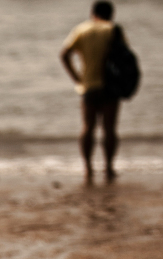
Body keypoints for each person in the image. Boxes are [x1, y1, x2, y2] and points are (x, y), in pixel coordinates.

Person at [60, 1, 122, 183]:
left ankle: (87, 168)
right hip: (110, 86)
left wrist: (77, 78)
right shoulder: (113, 29)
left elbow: (64, 55)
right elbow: (124, 56)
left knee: (88, 127)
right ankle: (109, 168)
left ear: (92, 13)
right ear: (111, 14)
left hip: (88, 86)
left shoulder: (82, 29)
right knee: (109, 128)